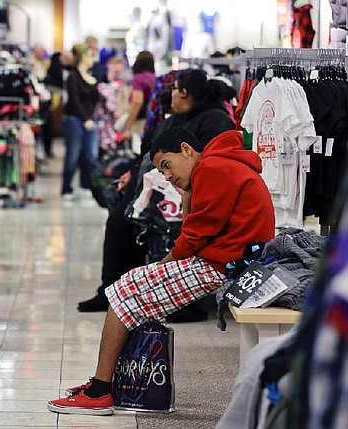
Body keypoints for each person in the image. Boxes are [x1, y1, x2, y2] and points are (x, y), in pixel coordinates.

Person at [49, 127, 276, 415]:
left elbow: (194, 237)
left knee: (124, 290)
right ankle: (108, 386)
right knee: (129, 287)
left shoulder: (212, 168)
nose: (166, 176)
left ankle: (100, 391)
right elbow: (196, 228)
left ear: (186, 149)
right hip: (233, 262)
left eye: (166, 165)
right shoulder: (219, 165)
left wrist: (164, 263)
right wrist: (186, 198)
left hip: (224, 266)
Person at [77, 68, 236, 313]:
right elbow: (150, 154)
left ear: (184, 93)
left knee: (140, 223)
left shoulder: (214, 119)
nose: (169, 94)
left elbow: (212, 162)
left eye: (174, 89)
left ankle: (138, 291)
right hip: (154, 185)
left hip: (182, 190)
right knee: (119, 220)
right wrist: (131, 174)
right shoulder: (175, 119)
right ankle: (112, 290)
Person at [61, 43, 99, 200]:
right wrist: (84, 119)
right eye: (90, 55)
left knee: (90, 155)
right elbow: (74, 101)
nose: (93, 59)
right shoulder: (73, 77)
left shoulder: (92, 77)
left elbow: (95, 100)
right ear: (83, 57)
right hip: (74, 119)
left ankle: (87, 185)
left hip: (90, 119)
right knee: (73, 155)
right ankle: (66, 188)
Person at [121, 50, 156, 153]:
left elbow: (137, 102)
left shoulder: (138, 79)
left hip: (140, 122)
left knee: (137, 152)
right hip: (152, 121)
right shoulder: (155, 78)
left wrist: (128, 127)